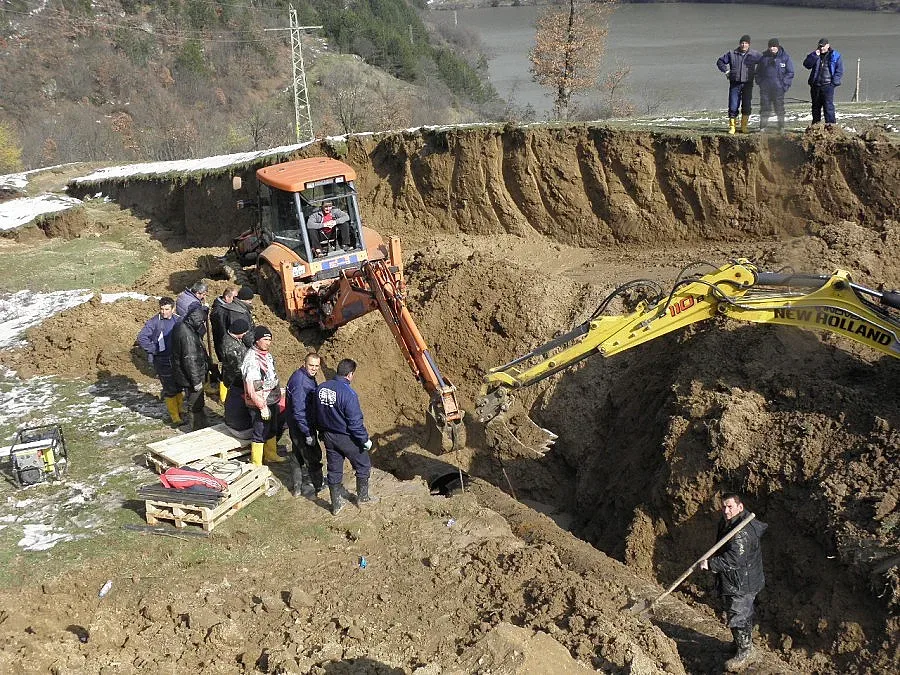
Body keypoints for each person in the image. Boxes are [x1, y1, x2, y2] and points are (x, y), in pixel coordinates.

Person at [700, 492, 768, 671]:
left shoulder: (742, 533)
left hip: (742, 582)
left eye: (730, 506)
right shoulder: (729, 522)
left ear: (740, 507)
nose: (726, 510)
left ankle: (746, 652)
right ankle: (740, 643)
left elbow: (734, 559)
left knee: (738, 615)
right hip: (737, 579)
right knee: (738, 612)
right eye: (723, 506)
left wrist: (710, 564)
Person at [314, 358, 375, 515]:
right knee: (363, 465)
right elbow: (355, 423)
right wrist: (364, 440)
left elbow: (316, 412)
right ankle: (363, 498)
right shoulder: (348, 394)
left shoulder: (321, 388)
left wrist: (320, 431)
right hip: (346, 438)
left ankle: (336, 505)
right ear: (350, 374)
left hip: (328, 436)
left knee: (334, 469)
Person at [241, 325, 285, 466]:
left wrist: (278, 390)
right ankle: (256, 463)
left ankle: (271, 454)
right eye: (265, 339)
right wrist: (262, 407)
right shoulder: (252, 360)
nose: (268, 343)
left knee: (272, 428)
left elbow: (270, 376)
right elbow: (253, 388)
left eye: (269, 340)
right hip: (259, 403)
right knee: (260, 432)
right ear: (257, 340)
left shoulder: (267, 355)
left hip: (271, 399)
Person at [136, 296, 183, 425]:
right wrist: (154, 349)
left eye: (167, 309)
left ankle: (181, 409)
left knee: (179, 385)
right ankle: (175, 416)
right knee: (169, 388)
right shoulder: (154, 322)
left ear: (173, 309)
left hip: (176, 358)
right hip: (162, 360)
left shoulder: (178, 320)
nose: (164, 312)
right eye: (162, 309)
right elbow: (142, 337)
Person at [285, 353, 324, 497]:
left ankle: (297, 487)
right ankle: (319, 486)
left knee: (297, 454)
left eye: (316, 366)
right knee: (312, 456)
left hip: (295, 424)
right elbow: (299, 411)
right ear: (304, 363)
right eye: (311, 365)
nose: (314, 369)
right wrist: (307, 433)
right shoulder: (301, 383)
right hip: (302, 426)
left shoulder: (304, 376)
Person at [169, 303, 211, 432]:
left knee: (195, 401)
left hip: (184, 372)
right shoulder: (188, 336)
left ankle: (201, 424)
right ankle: (197, 428)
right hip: (191, 375)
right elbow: (190, 360)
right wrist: (196, 381)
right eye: (201, 322)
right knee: (195, 402)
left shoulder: (182, 324)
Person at [717, 35, 762, 134]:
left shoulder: (754, 54)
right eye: (742, 43)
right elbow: (720, 61)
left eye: (746, 43)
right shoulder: (732, 53)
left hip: (748, 84)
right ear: (740, 43)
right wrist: (726, 71)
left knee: (746, 105)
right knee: (733, 105)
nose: (744, 45)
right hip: (735, 84)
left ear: (749, 44)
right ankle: (732, 127)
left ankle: (744, 126)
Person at [220, 318, 253, 439]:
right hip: (236, 379)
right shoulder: (231, 347)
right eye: (244, 333)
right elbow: (238, 368)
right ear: (239, 333)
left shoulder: (233, 339)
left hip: (236, 381)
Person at [756, 38, 794, 132]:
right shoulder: (764, 58)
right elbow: (758, 72)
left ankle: (781, 127)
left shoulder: (785, 57)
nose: (772, 48)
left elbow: (790, 72)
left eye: (774, 46)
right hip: (765, 89)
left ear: (777, 47)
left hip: (779, 88)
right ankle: (762, 127)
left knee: (779, 108)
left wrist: (784, 85)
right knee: (765, 108)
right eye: (770, 46)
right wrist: (760, 83)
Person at [803, 38, 843, 128]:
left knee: (828, 107)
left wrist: (833, 83)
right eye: (820, 46)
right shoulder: (814, 54)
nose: (822, 48)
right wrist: (814, 55)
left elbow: (839, 70)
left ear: (828, 46)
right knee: (815, 107)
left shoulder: (835, 55)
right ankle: (816, 127)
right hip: (815, 85)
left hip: (828, 85)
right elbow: (806, 65)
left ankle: (831, 127)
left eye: (823, 46)